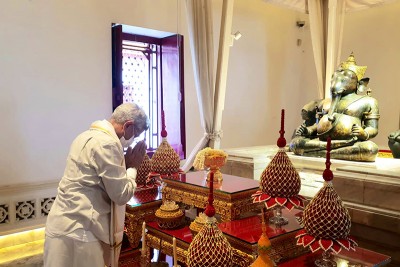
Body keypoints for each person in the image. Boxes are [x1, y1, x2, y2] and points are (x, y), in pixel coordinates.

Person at [44, 102, 149, 267]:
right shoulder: (108, 144)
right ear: (128, 125)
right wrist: (133, 166)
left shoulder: (83, 136)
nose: (133, 141)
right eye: (135, 135)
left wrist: (125, 165)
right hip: (83, 232)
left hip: (59, 223)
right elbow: (121, 194)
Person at [290, 53, 380, 162]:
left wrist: (364, 133)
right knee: (296, 143)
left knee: (370, 149)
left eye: (346, 75)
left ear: (360, 84)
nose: (339, 78)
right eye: (336, 75)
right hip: (322, 142)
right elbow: (319, 124)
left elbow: (373, 128)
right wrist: (308, 131)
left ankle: (321, 153)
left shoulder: (368, 101)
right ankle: (329, 153)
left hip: (348, 143)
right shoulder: (327, 102)